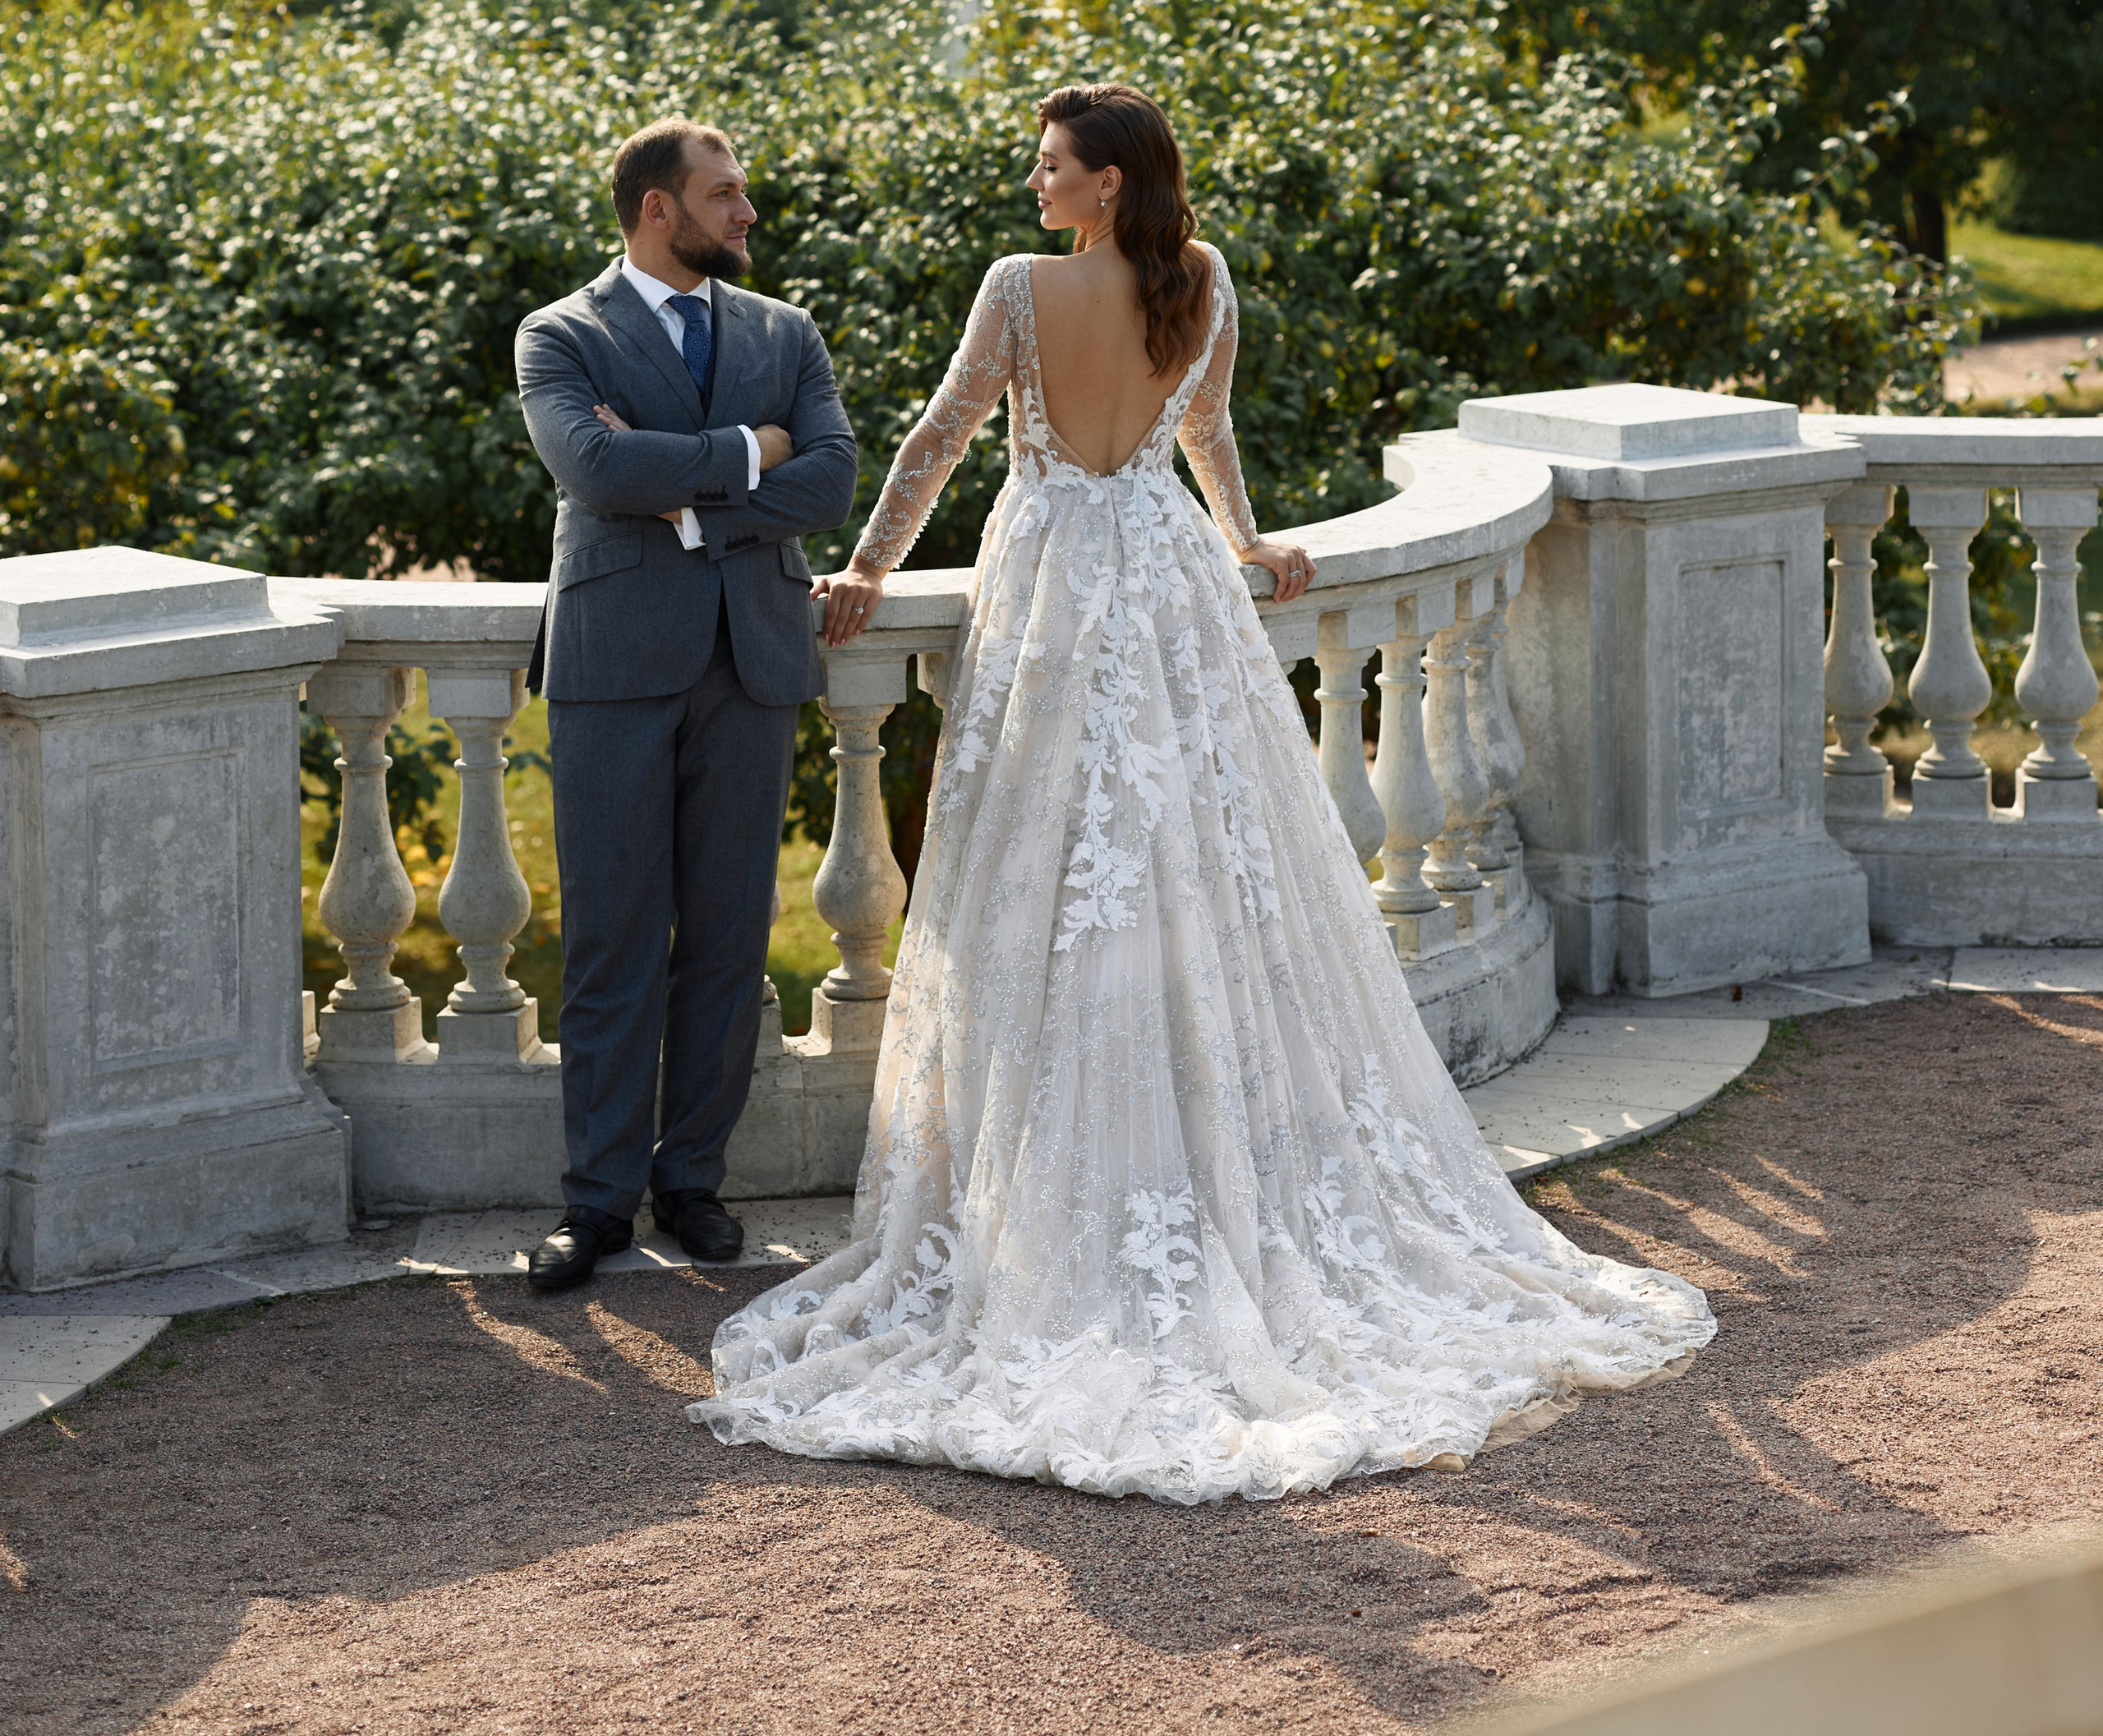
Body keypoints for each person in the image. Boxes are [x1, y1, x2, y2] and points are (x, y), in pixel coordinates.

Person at [692, 83, 1711, 1501]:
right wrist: (1247, 537)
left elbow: (936, 439)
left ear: (1109, 184)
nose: (1035, 182)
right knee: (1192, 861)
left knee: (1053, 874)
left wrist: (868, 567)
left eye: (1054, 166)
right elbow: (1205, 435)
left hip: (1054, 580)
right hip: (1168, 579)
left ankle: (1080, 1192)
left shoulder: (1019, 287)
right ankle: (1190, 1157)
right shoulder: (1205, 280)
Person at [514, 117, 856, 1294]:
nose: (746, 213)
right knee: (611, 937)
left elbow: (831, 475)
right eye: (724, 195)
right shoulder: (560, 334)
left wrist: (699, 491)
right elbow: (596, 474)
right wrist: (749, 450)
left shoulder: (784, 330)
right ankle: (596, 1202)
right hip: (613, 663)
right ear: (658, 208)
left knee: (726, 936)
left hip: (752, 660)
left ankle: (691, 1181)